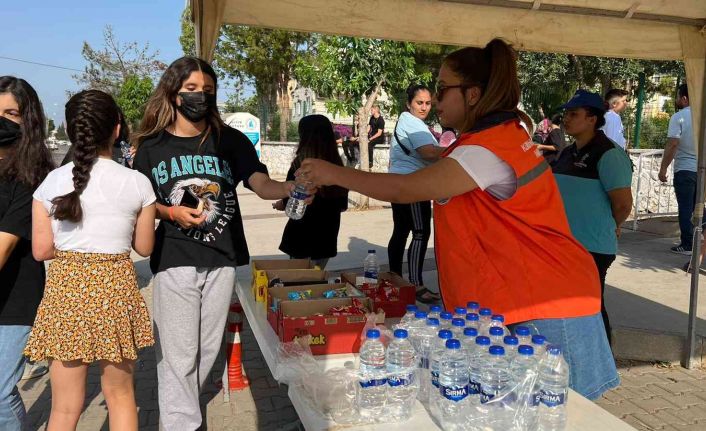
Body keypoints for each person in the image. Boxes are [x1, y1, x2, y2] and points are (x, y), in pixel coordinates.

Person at [297, 39, 618, 400]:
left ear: (473, 95)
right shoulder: (482, 142)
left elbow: (406, 189)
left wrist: (334, 173)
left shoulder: (490, 148)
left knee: (558, 417)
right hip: (521, 302)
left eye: (442, 88)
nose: (435, 99)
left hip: (547, 304)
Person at [131, 56, 300, 430]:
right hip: (175, 255)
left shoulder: (231, 141)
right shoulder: (150, 148)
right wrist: (169, 212)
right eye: (191, 89)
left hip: (222, 255)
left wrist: (289, 188)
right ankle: (181, 424)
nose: (200, 97)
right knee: (178, 353)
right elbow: (140, 205)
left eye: (207, 90)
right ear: (173, 93)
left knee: (207, 351)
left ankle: (183, 411)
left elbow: (260, 183)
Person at [24, 89, 157, 430]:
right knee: (122, 398)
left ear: (70, 132)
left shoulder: (50, 183)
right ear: (116, 130)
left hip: (66, 295)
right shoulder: (138, 183)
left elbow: (41, 251)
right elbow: (144, 247)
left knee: (65, 409)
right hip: (116, 292)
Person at [552, 89, 633, 347]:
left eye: (574, 114)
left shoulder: (609, 155)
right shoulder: (566, 153)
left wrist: (612, 225)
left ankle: (602, 360)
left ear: (592, 119)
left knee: (592, 309)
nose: (566, 119)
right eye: (566, 114)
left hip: (592, 247)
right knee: (570, 307)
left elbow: (622, 205)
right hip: (565, 244)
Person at [0, 76, 54, 431]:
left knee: (0, 394)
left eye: (10, 113)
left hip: (15, 300)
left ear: (27, 121)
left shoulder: (31, 178)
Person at [388, 84, 445, 303]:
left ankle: (395, 279)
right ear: (408, 104)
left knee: (401, 231)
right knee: (420, 233)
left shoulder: (409, 121)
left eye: (428, 103)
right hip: (413, 184)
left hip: (400, 183)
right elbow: (428, 152)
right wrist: (457, 148)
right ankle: (415, 284)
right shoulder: (412, 123)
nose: (424, 107)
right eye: (419, 103)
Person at [274, 115, 348, 269]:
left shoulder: (301, 165)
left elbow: (291, 200)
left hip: (302, 237)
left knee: (299, 286)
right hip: (326, 237)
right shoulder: (337, 166)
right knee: (316, 282)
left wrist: (283, 203)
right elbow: (342, 204)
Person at [659, 84, 698, 255]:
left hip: (685, 169)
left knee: (685, 207)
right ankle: (699, 240)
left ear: (684, 98)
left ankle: (687, 244)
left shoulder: (679, 117)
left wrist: (663, 168)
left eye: (677, 97)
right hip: (702, 170)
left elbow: (673, 143)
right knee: (700, 207)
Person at [61, 108, 134, 167]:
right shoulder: (83, 145)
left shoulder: (125, 146)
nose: (116, 124)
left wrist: (136, 158)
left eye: (119, 121)